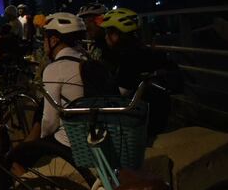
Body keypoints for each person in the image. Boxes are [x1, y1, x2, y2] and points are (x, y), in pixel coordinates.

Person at [101, 8, 177, 137]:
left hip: (141, 121)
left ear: (116, 35)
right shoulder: (146, 52)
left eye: (108, 32)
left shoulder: (129, 58)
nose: (106, 37)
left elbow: (119, 94)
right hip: (160, 112)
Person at [38, 13, 88, 148]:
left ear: (53, 40)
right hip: (95, 135)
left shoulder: (54, 69)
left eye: (44, 39)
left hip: (70, 141)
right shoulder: (87, 60)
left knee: (18, 156)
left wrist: (40, 140)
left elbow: (50, 121)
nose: (44, 44)